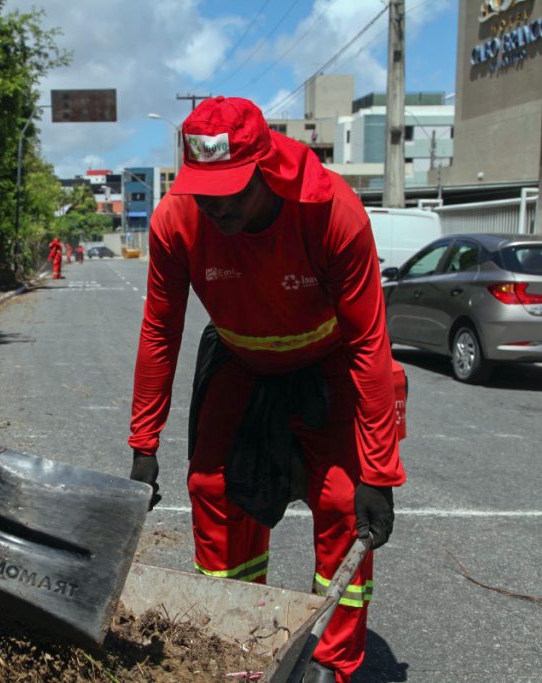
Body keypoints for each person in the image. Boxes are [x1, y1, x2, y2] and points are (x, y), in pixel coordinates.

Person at [127, 97, 405, 683]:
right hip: (240, 357)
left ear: (266, 170)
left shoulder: (332, 212)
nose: (216, 205)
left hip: (329, 362)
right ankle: (231, 642)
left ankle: (334, 661)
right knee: (210, 486)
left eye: (231, 189)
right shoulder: (177, 220)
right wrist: (143, 443)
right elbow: (160, 330)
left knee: (339, 502)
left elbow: (369, 346)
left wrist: (379, 474)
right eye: (204, 188)